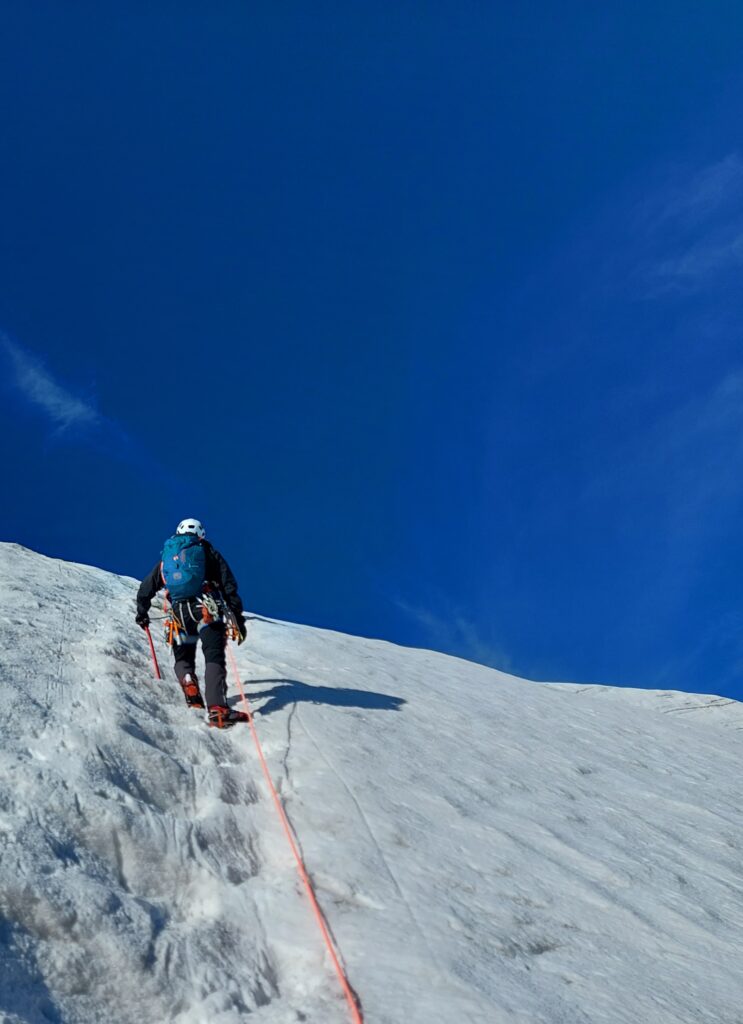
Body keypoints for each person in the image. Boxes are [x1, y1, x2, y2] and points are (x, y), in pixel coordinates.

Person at [135, 518, 248, 728]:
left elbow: (146, 588)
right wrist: (238, 619)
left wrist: (142, 612)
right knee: (213, 653)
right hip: (206, 609)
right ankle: (217, 709)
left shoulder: (167, 557)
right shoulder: (205, 550)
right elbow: (228, 584)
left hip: (179, 614)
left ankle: (188, 681)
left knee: (183, 654)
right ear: (200, 533)